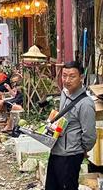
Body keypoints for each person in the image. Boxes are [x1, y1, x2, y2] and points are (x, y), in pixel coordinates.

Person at [45, 61, 96, 190]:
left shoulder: (86, 104)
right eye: (64, 76)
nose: (67, 80)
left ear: (81, 78)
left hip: (71, 155)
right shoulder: (64, 93)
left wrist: (81, 150)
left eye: (72, 76)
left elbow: (89, 135)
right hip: (56, 149)